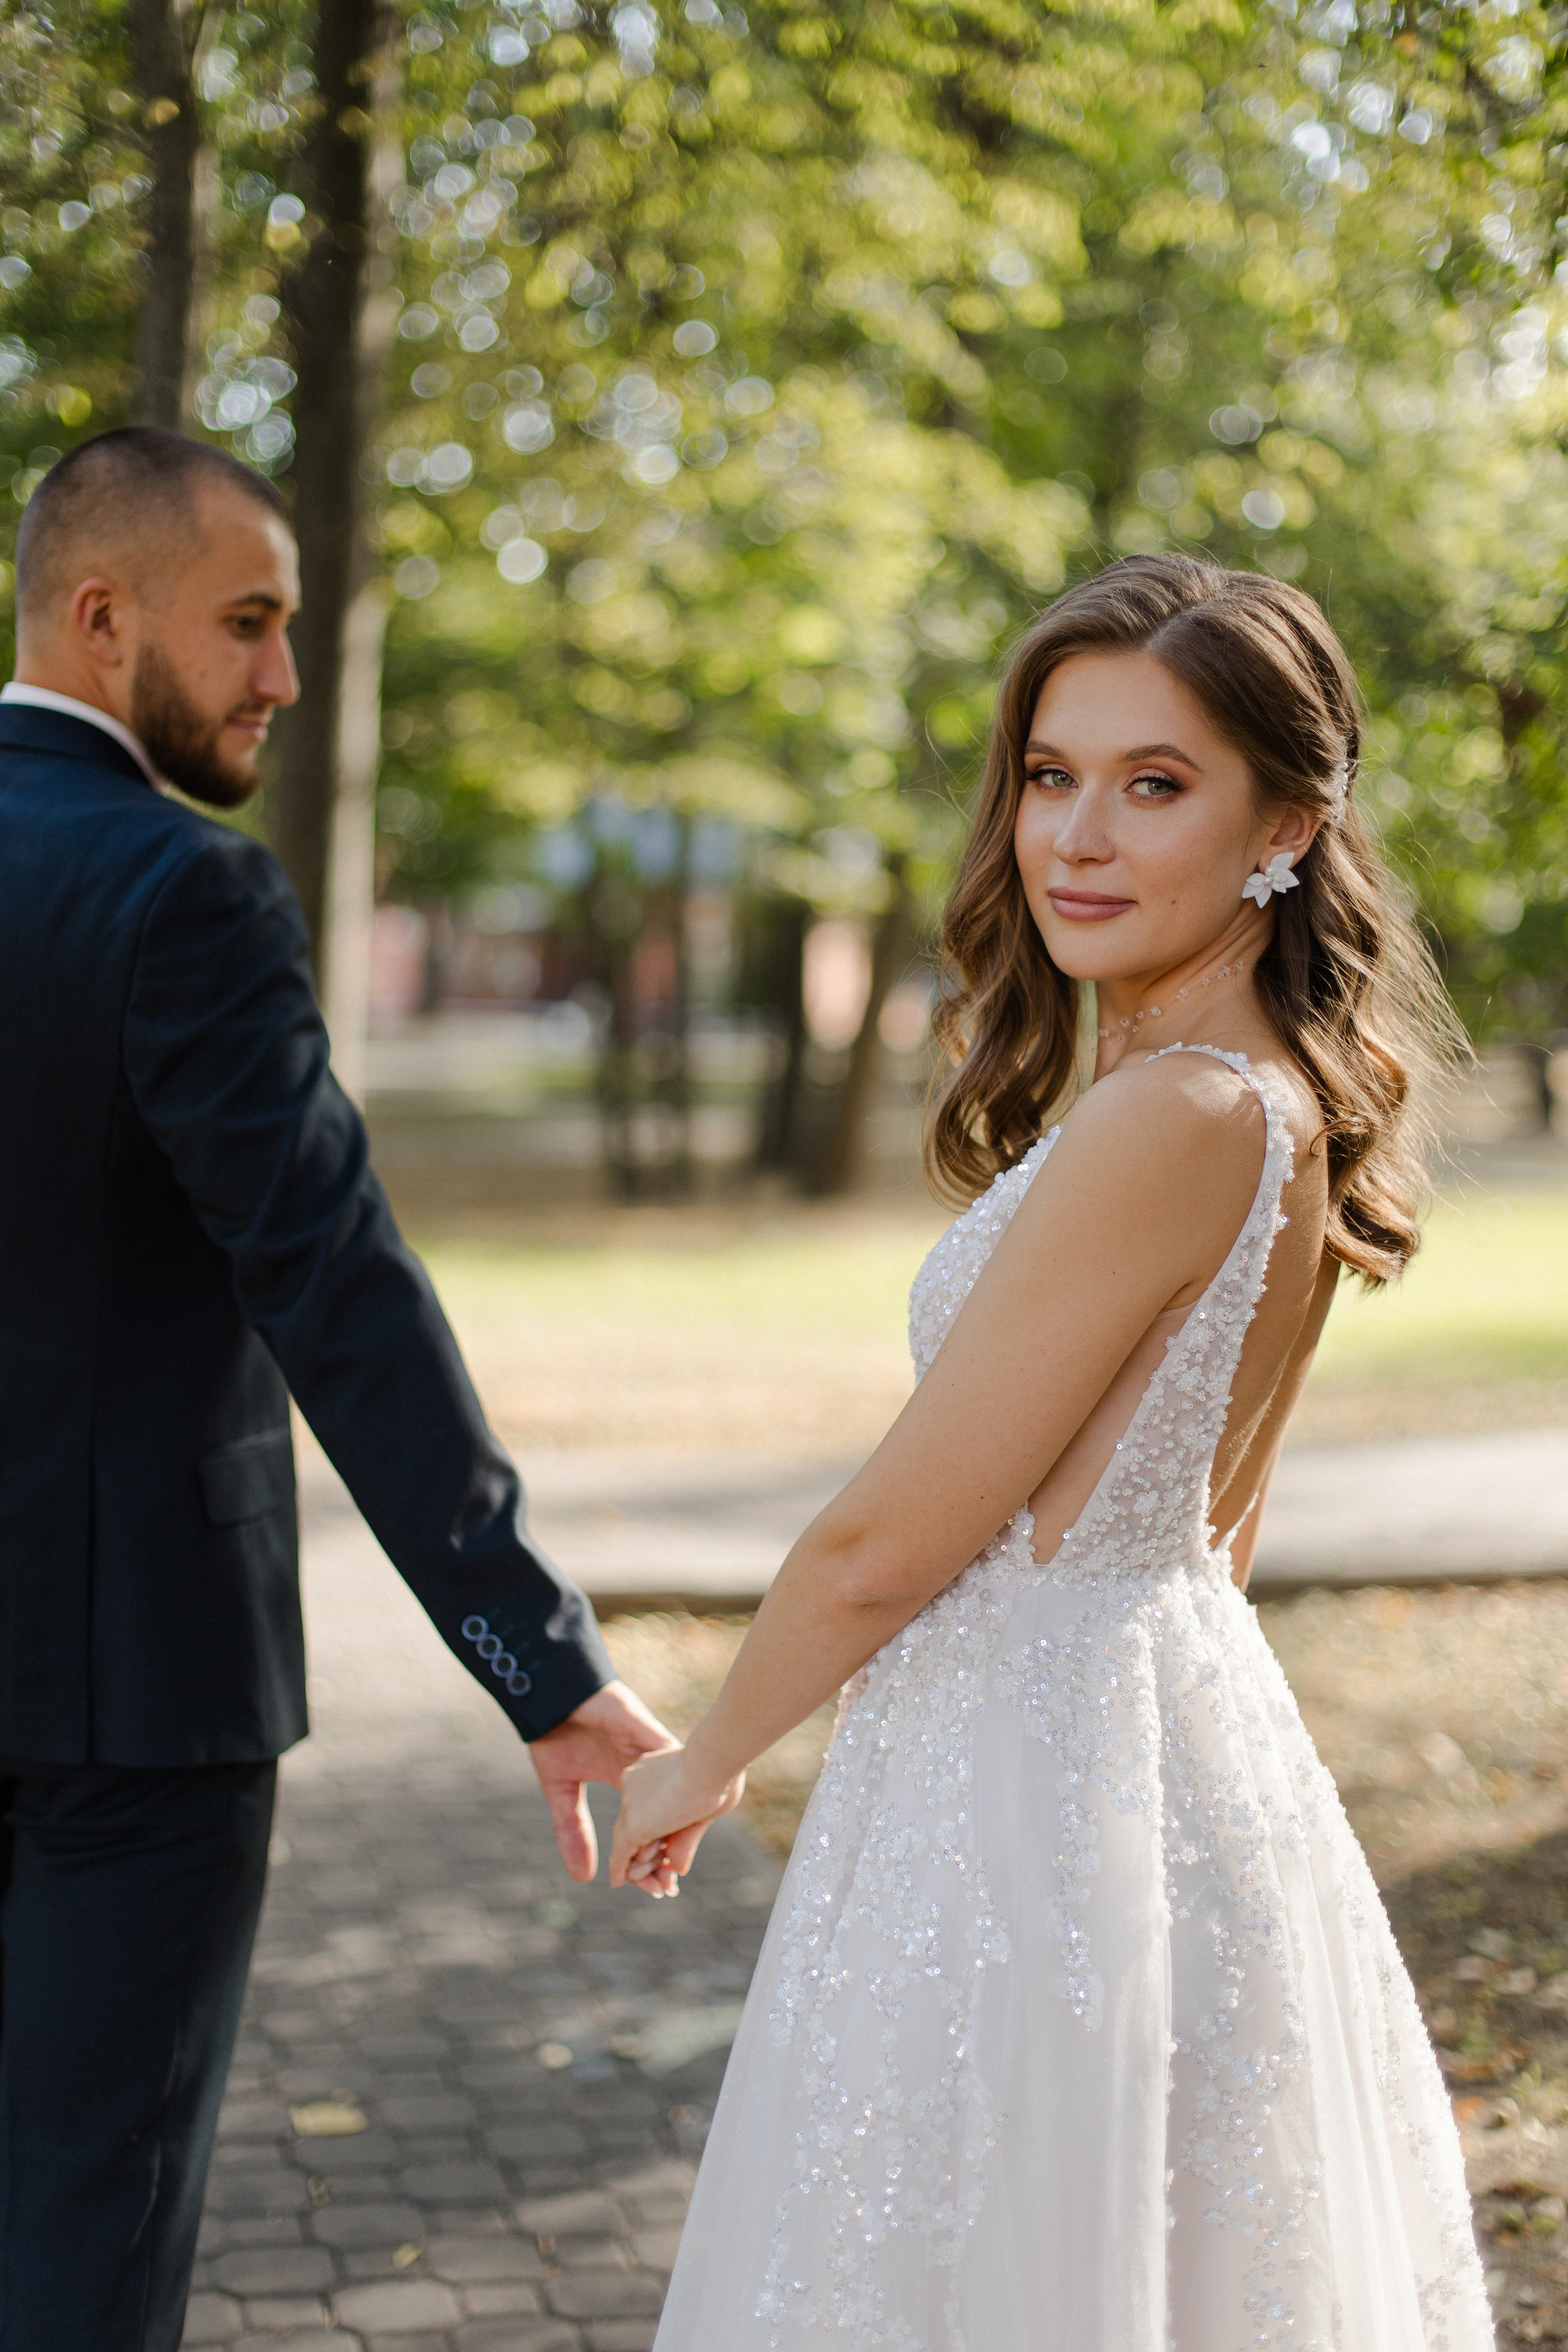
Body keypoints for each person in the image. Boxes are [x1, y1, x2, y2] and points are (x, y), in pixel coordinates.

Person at [610, 555, 1492, 2348]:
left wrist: (702, 1756)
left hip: (1030, 1769)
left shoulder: (1173, 1113)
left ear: (1288, 827)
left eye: (1154, 785)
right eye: (1049, 774)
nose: (1077, 834)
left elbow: (885, 1543)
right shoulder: (1260, 1096)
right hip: (1145, 1727)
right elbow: (1218, 1518)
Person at [0, 426, 677, 2352]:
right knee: (80, 2233)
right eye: (250, 625)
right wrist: (536, 1659)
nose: (285, 679)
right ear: (101, 614)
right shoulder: (178, 892)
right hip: (138, 1708)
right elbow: (335, 1289)